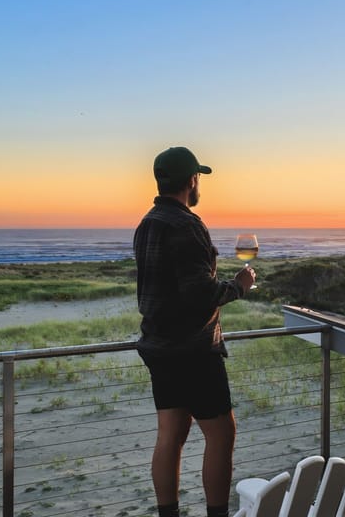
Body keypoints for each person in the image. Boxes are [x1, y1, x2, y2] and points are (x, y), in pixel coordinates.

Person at [134, 146, 256, 517]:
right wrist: (239, 286)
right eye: (198, 177)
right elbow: (200, 294)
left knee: (170, 435)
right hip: (193, 351)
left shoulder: (147, 223)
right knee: (221, 434)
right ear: (191, 180)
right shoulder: (187, 225)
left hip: (158, 348)